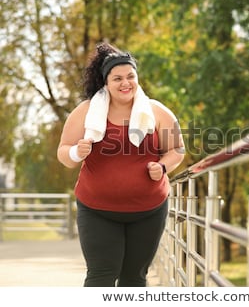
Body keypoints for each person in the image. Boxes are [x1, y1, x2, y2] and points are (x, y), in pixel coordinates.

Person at [57, 42, 185, 287]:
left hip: (148, 211)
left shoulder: (157, 112)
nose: (125, 83)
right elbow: (63, 153)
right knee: (101, 275)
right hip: (97, 211)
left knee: (134, 279)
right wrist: (76, 151)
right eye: (117, 78)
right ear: (106, 82)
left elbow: (176, 150)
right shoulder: (86, 112)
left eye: (130, 76)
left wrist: (163, 166)